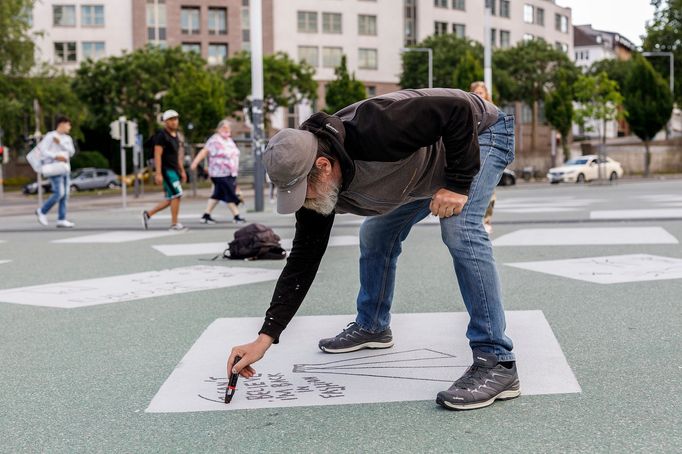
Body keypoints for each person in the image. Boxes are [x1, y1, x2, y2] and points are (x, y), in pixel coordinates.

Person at [227, 88, 519, 411]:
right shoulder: (313, 174)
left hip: (480, 132)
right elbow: (303, 260)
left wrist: (459, 184)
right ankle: (373, 325)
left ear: (323, 166)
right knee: (377, 232)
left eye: (302, 192)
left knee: (461, 229)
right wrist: (264, 337)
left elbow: (456, 111)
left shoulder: (376, 127)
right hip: (424, 168)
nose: (303, 202)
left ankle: (497, 360)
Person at [190, 119, 246, 224]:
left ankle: (206, 215)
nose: (226, 129)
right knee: (229, 193)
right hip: (219, 173)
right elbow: (204, 151)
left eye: (228, 128)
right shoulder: (214, 140)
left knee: (218, 194)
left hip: (230, 173)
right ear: (219, 128)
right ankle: (236, 215)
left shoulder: (229, 140)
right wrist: (195, 162)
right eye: (224, 127)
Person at [141, 110, 187, 231]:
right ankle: (174, 224)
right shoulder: (161, 136)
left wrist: (182, 170)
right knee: (177, 195)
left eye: (176, 119)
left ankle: (148, 214)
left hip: (174, 170)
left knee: (170, 198)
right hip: (166, 171)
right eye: (171, 119)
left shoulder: (176, 136)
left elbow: (177, 155)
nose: (174, 122)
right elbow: (157, 155)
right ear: (165, 122)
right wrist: (158, 173)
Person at [35, 116, 76, 228]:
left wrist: (60, 143)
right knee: (59, 193)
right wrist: (56, 156)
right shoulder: (50, 136)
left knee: (65, 195)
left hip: (65, 168)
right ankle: (42, 211)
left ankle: (61, 219)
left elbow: (71, 152)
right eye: (68, 124)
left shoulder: (67, 139)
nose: (69, 127)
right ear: (61, 124)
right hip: (54, 168)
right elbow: (42, 151)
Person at [470, 81, 497, 235]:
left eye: (481, 93)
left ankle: (487, 221)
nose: (478, 95)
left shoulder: (493, 112)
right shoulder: (469, 110)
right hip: (473, 155)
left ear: (486, 94)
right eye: (476, 92)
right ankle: (474, 221)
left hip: (489, 154)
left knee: (489, 190)